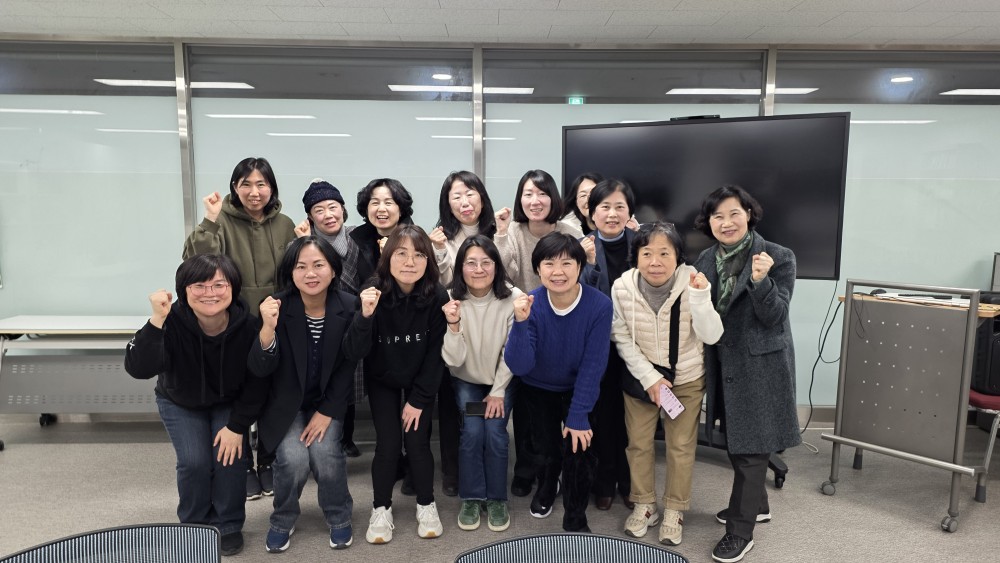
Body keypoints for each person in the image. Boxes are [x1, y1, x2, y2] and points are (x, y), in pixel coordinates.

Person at [124, 254, 269, 557]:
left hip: (228, 402)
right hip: (180, 401)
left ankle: (229, 524)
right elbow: (138, 368)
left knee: (230, 459)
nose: (209, 293)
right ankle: (194, 525)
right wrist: (156, 320)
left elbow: (258, 382)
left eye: (219, 285)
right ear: (184, 290)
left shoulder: (248, 326)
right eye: (199, 286)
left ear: (233, 288)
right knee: (194, 462)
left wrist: (237, 426)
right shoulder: (171, 321)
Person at [692, 185, 800, 563]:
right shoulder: (705, 259)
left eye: (734, 213)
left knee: (753, 449)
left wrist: (761, 281)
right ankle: (759, 505)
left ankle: (741, 531)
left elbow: (775, 316)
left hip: (761, 366)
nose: (727, 222)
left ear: (749, 214)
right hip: (723, 363)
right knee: (738, 440)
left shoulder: (778, 257)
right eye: (717, 216)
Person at [182, 156, 296, 500]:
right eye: (246, 184)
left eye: (262, 184)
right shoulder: (220, 220)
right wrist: (209, 220)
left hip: (276, 320)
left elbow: (295, 271)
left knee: (272, 390)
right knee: (239, 389)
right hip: (234, 323)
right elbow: (197, 263)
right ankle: (244, 462)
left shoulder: (285, 223)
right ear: (235, 187)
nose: (254, 191)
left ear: (272, 188)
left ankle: (268, 459)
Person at [610, 222, 723, 546]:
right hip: (641, 380)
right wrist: (651, 378)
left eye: (664, 253)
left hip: (686, 378)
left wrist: (700, 297)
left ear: (678, 257)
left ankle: (675, 509)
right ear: (636, 256)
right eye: (647, 253)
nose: (655, 262)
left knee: (681, 446)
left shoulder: (694, 282)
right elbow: (620, 335)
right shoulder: (622, 287)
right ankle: (645, 504)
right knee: (638, 443)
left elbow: (712, 335)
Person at [249, 237, 358, 553]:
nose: (310, 273)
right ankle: (282, 518)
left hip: (327, 401)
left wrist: (327, 411)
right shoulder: (276, 306)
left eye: (318, 265)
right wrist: (267, 329)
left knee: (326, 455)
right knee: (294, 459)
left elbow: (348, 366)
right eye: (301, 266)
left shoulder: (349, 306)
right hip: (285, 404)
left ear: (333, 270)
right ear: (291, 273)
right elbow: (259, 368)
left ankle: (338, 514)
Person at [343, 225, 450, 544]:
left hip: (420, 378)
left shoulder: (437, 295)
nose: (410, 262)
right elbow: (355, 352)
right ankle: (381, 507)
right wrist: (364, 316)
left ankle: (426, 504)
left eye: (419, 255)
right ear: (387, 257)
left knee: (417, 442)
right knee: (388, 444)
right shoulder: (373, 291)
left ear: (428, 260)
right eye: (401, 253)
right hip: (383, 379)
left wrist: (419, 400)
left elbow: (436, 354)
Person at [504, 232, 613, 533]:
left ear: (580, 266)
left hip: (580, 386)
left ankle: (575, 514)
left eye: (567, 263)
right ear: (538, 269)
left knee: (580, 449)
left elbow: (594, 365)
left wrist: (578, 416)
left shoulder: (599, 305)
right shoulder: (531, 303)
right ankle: (548, 484)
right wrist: (520, 323)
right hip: (538, 387)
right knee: (544, 448)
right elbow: (519, 365)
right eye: (549, 263)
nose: (558, 271)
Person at [494, 169, 583, 498]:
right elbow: (503, 275)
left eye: (542, 193)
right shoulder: (513, 231)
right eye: (528, 194)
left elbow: (579, 274)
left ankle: (558, 470)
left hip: (563, 323)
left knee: (560, 405)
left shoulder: (569, 231)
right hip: (525, 320)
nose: (535, 201)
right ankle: (526, 468)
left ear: (553, 198)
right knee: (526, 404)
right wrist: (501, 234)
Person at [441, 235, 520, 533]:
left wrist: (498, 392)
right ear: (460, 267)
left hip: (502, 380)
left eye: (486, 262)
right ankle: (472, 497)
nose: (478, 269)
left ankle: (497, 498)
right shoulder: (450, 298)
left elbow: (512, 352)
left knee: (496, 432)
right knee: (473, 432)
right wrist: (453, 324)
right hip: (466, 380)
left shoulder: (513, 297)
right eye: (470, 263)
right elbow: (453, 360)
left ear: (496, 266)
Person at [427, 170, 497, 496]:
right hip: (455, 327)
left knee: (491, 404)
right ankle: (453, 470)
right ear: (448, 203)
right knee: (452, 403)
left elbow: (506, 276)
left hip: (494, 328)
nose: (464, 201)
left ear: (481, 197)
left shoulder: (499, 231)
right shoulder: (440, 236)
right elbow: (440, 284)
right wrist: (439, 251)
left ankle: (490, 467)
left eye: (470, 193)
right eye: (456, 196)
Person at [295, 179, 364, 458]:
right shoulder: (302, 243)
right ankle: (316, 435)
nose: (328, 215)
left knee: (349, 375)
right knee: (319, 375)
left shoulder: (357, 238)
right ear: (310, 217)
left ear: (343, 209)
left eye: (333, 207)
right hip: (316, 317)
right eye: (319, 210)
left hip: (351, 315)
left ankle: (346, 437)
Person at [350, 178, 414, 288]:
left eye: (388, 203)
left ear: (401, 210)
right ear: (366, 209)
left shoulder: (415, 240)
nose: (381, 209)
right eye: (375, 203)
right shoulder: (357, 238)